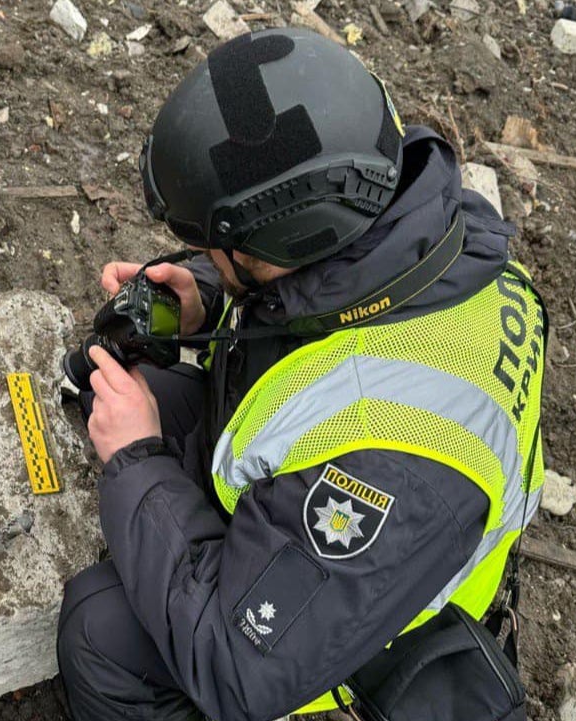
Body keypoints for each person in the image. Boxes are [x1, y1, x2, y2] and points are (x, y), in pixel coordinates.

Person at [56, 27, 547, 721]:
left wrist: (134, 460)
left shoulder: (395, 470)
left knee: (100, 631)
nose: (204, 252)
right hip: (356, 464)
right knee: (138, 387)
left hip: (370, 628)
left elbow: (236, 667)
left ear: (282, 243)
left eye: (217, 248)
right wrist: (210, 296)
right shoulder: (419, 223)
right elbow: (342, 298)